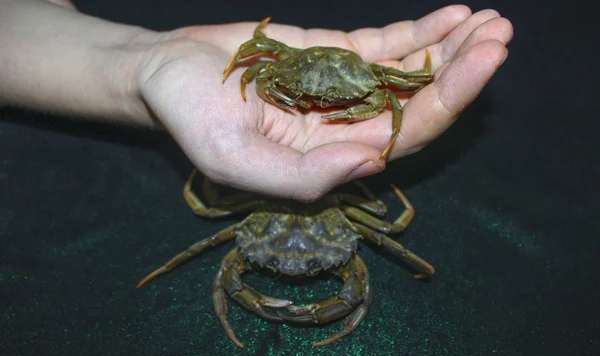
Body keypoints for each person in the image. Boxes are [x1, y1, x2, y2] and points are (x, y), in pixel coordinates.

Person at [0, 0, 513, 202]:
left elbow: (405, 91)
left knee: (415, 86)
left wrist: (142, 58)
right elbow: (258, 56)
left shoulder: (374, 84)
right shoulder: (274, 60)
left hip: (355, 72)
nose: (315, 105)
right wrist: (158, 61)